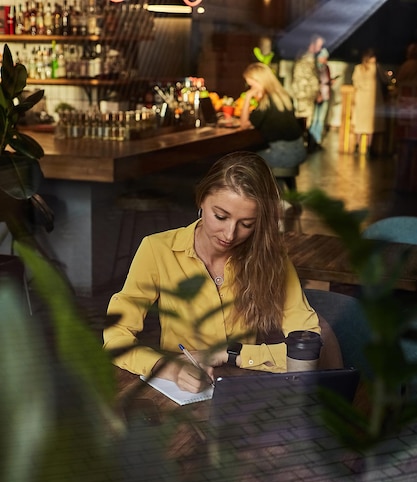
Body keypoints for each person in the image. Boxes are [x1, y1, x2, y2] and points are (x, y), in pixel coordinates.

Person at [103, 151, 321, 393]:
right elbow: (115, 339)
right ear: (201, 200)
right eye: (220, 216)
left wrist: (228, 354)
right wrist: (170, 368)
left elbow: (308, 347)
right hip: (181, 393)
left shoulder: (272, 258)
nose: (229, 234)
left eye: (247, 224)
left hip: (241, 391)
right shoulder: (157, 250)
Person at [239, 62, 307, 191]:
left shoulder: (266, 103)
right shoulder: (284, 97)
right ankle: (291, 198)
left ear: (258, 81)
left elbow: (244, 124)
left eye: (251, 84)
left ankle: (273, 200)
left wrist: (248, 97)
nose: (249, 87)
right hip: (298, 149)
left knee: (246, 162)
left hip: (283, 153)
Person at [291, 34, 324, 152]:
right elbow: (308, 80)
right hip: (304, 97)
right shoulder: (306, 59)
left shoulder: (307, 58)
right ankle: (302, 147)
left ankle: (305, 146)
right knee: (304, 123)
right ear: (312, 44)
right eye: (319, 46)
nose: (320, 49)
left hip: (306, 96)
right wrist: (316, 93)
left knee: (305, 123)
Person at [351, 49, 386, 157]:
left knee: (359, 125)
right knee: (370, 125)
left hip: (360, 99)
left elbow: (355, 82)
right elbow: (385, 79)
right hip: (372, 101)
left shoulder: (358, 68)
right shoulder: (376, 67)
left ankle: (357, 147)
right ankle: (370, 148)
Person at [309, 47, 332, 149]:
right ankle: (311, 140)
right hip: (317, 96)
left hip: (325, 95)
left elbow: (326, 80)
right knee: (314, 119)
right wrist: (318, 94)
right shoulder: (315, 68)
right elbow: (315, 82)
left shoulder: (326, 68)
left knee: (321, 119)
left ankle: (317, 141)